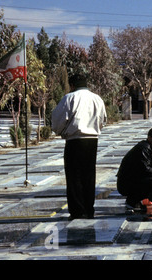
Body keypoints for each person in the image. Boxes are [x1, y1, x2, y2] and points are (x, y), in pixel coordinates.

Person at [51, 74, 107, 220]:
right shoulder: (97, 98)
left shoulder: (69, 98)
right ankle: (89, 208)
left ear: (73, 85)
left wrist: (61, 131)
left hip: (75, 140)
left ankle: (77, 210)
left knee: (74, 176)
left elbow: (58, 119)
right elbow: (103, 120)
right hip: (92, 141)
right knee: (89, 176)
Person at [117, 127, 152, 212]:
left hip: (135, 181)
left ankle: (137, 200)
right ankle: (131, 201)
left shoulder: (151, 150)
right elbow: (146, 170)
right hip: (126, 184)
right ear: (149, 137)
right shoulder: (143, 149)